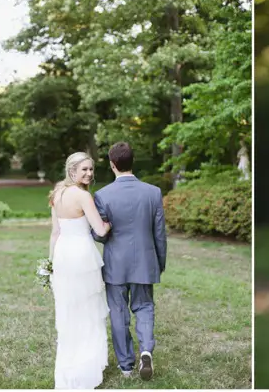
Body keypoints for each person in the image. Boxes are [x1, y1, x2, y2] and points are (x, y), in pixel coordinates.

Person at [92, 142, 167, 381]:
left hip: (115, 264)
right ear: (132, 162)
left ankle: (126, 365)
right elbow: (159, 234)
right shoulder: (153, 192)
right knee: (144, 307)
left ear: (112, 165)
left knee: (118, 312)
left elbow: (99, 233)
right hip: (145, 261)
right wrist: (159, 262)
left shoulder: (103, 195)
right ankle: (145, 350)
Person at [48, 152, 111, 389]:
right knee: (86, 309)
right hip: (82, 256)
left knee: (70, 307)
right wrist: (110, 223)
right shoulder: (83, 196)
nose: (89, 174)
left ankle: (72, 361)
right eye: (84, 169)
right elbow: (101, 230)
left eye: (91, 169)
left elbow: (56, 233)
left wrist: (51, 262)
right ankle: (86, 365)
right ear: (71, 171)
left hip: (64, 254)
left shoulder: (57, 193)